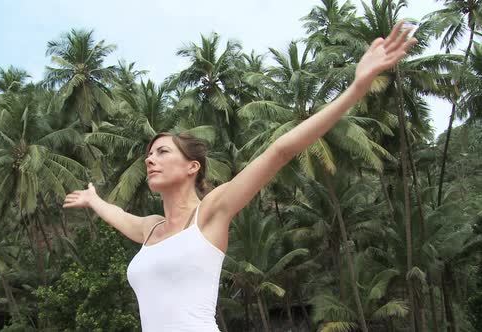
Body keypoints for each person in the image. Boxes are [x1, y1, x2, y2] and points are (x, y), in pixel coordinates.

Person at [63, 21, 417, 332]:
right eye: (148, 154)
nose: (149, 160)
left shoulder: (212, 211)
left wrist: (356, 88)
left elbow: (279, 151)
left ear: (193, 167)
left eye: (162, 152)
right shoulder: (152, 228)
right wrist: (94, 200)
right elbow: (120, 216)